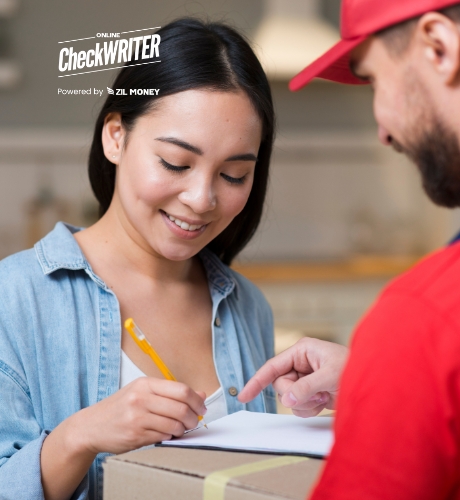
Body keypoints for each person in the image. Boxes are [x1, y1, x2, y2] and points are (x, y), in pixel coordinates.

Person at [0, 18, 277, 500]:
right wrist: (78, 437)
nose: (201, 198)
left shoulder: (247, 306)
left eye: (234, 174)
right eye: (176, 163)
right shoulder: (14, 299)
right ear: (115, 137)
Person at [239, 0, 460, 497]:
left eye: (375, 80)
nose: (381, 129)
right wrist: (381, 382)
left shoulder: (428, 319)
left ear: (439, 48)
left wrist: (401, 369)